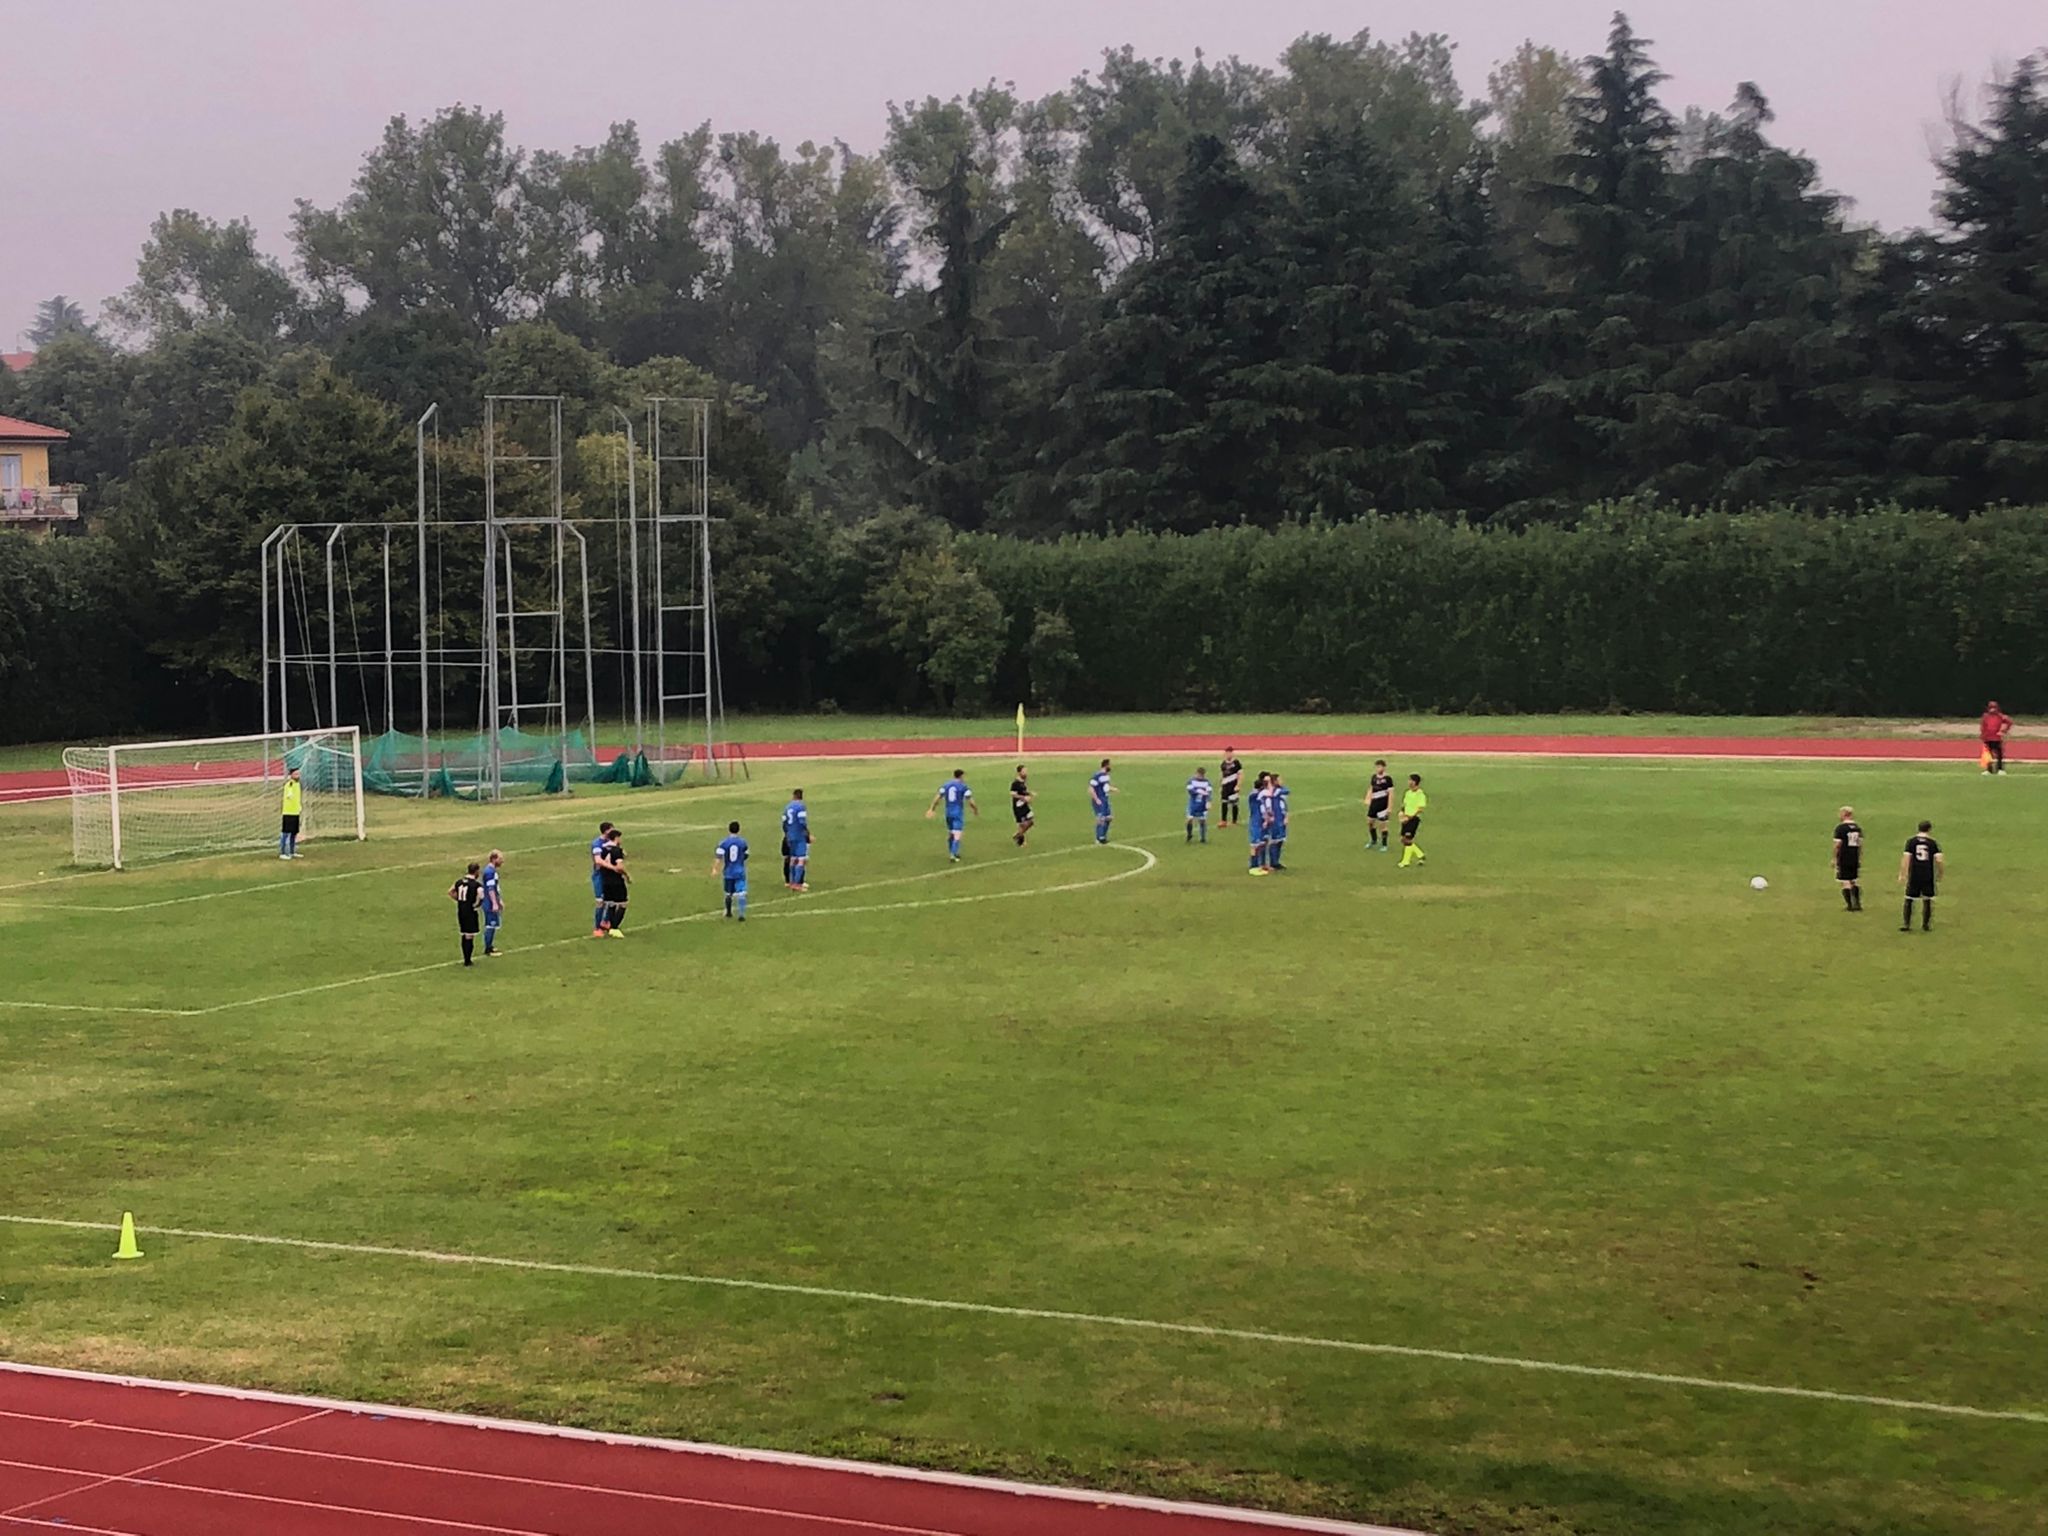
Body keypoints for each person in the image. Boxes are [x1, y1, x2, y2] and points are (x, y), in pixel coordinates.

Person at [1899, 820, 1942, 932]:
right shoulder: (1932, 843)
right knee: (1927, 899)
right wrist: (1940, 873)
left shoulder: (1911, 842)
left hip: (1914, 874)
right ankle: (1926, 925)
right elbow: (1939, 860)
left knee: (1909, 898)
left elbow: (1906, 859)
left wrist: (1903, 873)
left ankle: (1906, 924)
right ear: (1929, 829)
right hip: (1927, 875)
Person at [927, 769, 977, 861]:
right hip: (957, 813)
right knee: (957, 833)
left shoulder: (946, 785)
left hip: (948, 812)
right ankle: (953, 854)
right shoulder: (963, 787)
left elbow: (938, 797)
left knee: (951, 833)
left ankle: (952, 852)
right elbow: (970, 801)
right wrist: (975, 809)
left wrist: (932, 809)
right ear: (961, 776)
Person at [449, 862, 484, 967]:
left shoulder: (459, 882)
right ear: (476, 871)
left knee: (464, 933)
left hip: (461, 910)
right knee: (469, 935)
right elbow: (481, 897)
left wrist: (459, 900)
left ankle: (466, 957)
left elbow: (450, 891)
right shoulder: (476, 885)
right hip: (470, 911)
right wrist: (476, 905)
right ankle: (467, 960)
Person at [714, 820, 750, 920]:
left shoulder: (724, 843)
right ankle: (741, 914)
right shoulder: (743, 842)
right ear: (739, 830)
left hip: (728, 871)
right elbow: (746, 855)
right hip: (739, 870)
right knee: (741, 892)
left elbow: (719, 856)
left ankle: (728, 912)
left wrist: (715, 869)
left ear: (729, 830)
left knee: (728, 893)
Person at [598, 827, 629, 938]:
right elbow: (619, 867)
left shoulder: (603, 849)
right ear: (616, 838)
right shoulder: (616, 850)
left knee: (610, 903)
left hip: (605, 880)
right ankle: (614, 927)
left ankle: (610, 926)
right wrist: (626, 875)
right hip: (616, 880)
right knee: (622, 903)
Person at [1831, 808, 1863, 912]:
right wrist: (1859, 856)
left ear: (1844, 815)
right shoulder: (1857, 828)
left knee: (1845, 881)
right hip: (1854, 856)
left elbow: (1837, 845)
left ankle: (1850, 905)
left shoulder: (1841, 828)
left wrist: (1834, 858)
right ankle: (1857, 903)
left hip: (1844, 856)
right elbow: (1860, 844)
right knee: (1854, 880)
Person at [589, 821, 616, 935]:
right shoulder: (597, 844)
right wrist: (612, 867)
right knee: (600, 901)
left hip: (609, 875)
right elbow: (598, 861)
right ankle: (597, 928)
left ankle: (605, 922)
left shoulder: (612, 842)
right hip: (600, 876)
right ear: (606, 831)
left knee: (611, 900)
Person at [782, 789, 811, 891]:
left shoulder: (787, 807)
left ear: (793, 796)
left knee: (793, 859)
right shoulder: (800, 807)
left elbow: (784, 823)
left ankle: (791, 882)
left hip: (790, 835)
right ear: (801, 797)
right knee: (801, 859)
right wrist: (808, 833)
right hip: (799, 835)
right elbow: (802, 822)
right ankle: (797, 884)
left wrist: (787, 834)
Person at [1397, 774, 1428, 868]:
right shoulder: (1407, 793)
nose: (1409, 782)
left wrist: (1410, 817)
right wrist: (1401, 813)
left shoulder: (1420, 795)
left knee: (1407, 839)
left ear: (1415, 782)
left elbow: (1420, 809)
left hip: (1413, 819)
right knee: (1403, 839)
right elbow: (1405, 805)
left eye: (1411, 780)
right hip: (1406, 817)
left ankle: (1406, 861)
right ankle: (1420, 854)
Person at [1365, 760, 1394, 852]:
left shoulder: (1388, 779)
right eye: (1377, 767)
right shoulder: (1374, 777)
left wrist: (1389, 807)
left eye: (1380, 767)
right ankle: (1374, 840)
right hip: (1374, 804)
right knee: (1370, 822)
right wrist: (1368, 797)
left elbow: (1391, 793)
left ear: (1384, 768)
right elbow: (1371, 788)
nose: (1378, 769)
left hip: (1383, 805)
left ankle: (1384, 845)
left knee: (1383, 825)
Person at [481, 849, 505, 955]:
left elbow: (495, 888)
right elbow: (490, 889)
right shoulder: (490, 872)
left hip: (491, 901)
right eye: (500, 859)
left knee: (493, 925)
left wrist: (499, 900)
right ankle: (488, 949)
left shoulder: (491, 871)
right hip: (489, 902)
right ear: (494, 859)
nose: (502, 861)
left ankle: (490, 946)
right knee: (491, 925)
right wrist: (495, 903)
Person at [1246, 771, 1271, 876]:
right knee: (1255, 844)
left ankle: (1262, 864)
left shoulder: (1262, 795)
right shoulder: (1254, 795)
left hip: (1263, 821)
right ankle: (1253, 866)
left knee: (1264, 842)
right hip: (1256, 822)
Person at [1980, 700, 2013, 774]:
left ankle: (2000, 769)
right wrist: (1983, 735)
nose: (1992, 709)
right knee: (1987, 756)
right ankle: (1989, 770)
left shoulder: (2000, 716)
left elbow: (2009, 722)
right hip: (1988, 738)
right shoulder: (1985, 716)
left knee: (1999, 755)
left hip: (1997, 738)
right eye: (1991, 708)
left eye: (1994, 707)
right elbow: (1983, 726)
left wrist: (2003, 731)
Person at [1089, 758, 1116, 844]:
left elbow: (1105, 787)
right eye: (1110, 765)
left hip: (1105, 799)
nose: (1111, 767)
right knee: (1101, 818)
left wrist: (1113, 789)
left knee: (1109, 818)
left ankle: (1103, 836)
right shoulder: (1097, 776)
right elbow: (1091, 789)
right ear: (1106, 765)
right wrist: (1096, 799)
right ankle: (1098, 838)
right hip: (1099, 799)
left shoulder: (1106, 776)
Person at [279, 767, 303, 860]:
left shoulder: (298, 784)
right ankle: (282, 853)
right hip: (288, 812)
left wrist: (299, 806)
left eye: (298, 774)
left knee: (294, 833)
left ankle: (292, 852)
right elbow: (288, 795)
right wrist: (289, 795)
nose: (298, 776)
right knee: (285, 833)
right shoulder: (290, 784)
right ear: (291, 775)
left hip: (296, 812)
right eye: (296, 774)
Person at [1267, 773, 1290, 871]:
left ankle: (1276, 861)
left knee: (1280, 840)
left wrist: (1286, 816)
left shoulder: (1278, 791)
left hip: (1281, 817)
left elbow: (1284, 804)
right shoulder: (1275, 791)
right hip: (1276, 818)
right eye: (1279, 780)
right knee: (1275, 840)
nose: (1282, 781)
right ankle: (1273, 862)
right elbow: (1287, 791)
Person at [1185, 766, 1212, 844]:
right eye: (1198, 774)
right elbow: (1190, 790)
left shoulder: (1207, 782)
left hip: (1202, 804)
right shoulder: (1191, 781)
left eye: (1201, 775)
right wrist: (1200, 791)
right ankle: (1189, 834)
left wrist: (1208, 802)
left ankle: (1203, 838)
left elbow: (1209, 793)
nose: (1199, 776)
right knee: (1189, 819)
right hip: (1193, 803)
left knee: (1202, 820)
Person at [1010, 765, 1035, 846]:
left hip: (1024, 806)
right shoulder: (1015, 783)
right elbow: (1013, 794)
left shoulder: (1023, 782)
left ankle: (1017, 835)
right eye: (1024, 771)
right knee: (1022, 824)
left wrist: (1030, 793)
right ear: (1019, 772)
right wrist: (1024, 798)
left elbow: (1023, 791)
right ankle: (1020, 841)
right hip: (1018, 807)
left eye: (1026, 771)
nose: (1026, 773)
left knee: (1030, 822)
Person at [1218, 749, 1244, 827]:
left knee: (1234, 803)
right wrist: (1221, 785)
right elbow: (1222, 775)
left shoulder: (1236, 763)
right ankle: (1223, 820)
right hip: (1225, 786)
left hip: (1233, 786)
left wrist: (1238, 785)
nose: (1228, 755)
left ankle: (1234, 821)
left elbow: (1240, 774)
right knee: (1224, 803)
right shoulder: (1223, 764)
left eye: (1230, 753)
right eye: (1227, 753)